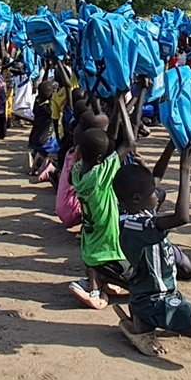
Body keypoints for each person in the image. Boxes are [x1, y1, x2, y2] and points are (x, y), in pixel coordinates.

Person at [111, 147, 191, 356]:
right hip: (154, 300)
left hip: (160, 294)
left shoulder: (135, 209)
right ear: (137, 198)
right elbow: (181, 217)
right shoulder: (134, 225)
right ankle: (144, 323)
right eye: (153, 193)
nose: (158, 195)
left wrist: (170, 146)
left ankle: (144, 321)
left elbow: (154, 180)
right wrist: (185, 170)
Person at [68, 127, 126, 310]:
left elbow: (111, 140)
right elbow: (129, 143)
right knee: (135, 278)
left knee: (94, 260)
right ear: (100, 158)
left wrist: (118, 103)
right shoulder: (100, 176)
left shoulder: (77, 173)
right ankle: (95, 289)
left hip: (90, 237)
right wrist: (127, 106)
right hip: (107, 236)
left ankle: (97, 282)